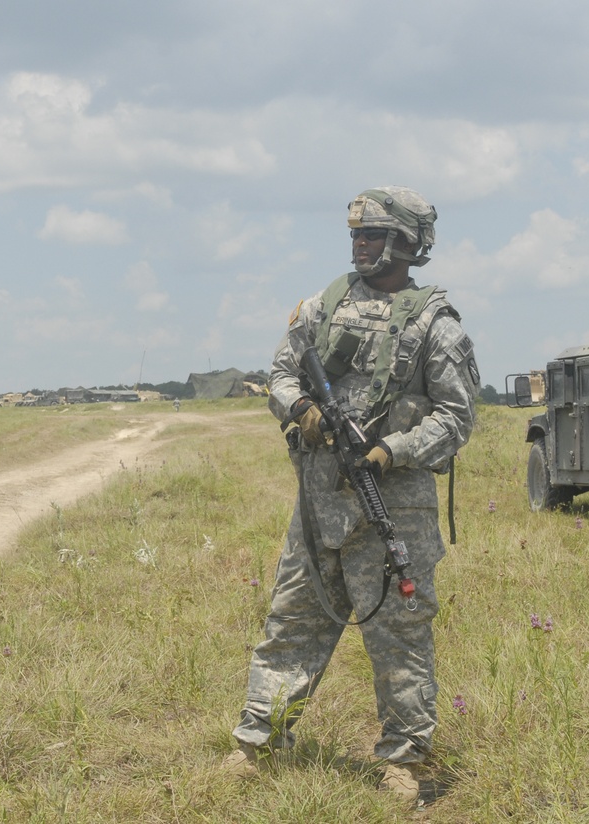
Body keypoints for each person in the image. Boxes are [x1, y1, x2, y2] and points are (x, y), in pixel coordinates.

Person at [223, 186, 479, 803]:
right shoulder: (323, 306)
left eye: (374, 236)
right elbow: (281, 373)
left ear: (405, 245)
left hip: (395, 510)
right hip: (318, 506)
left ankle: (406, 762)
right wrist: (304, 408)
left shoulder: (433, 323)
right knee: (291, 623)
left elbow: (457, 415)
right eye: (357, 236)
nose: (361, 245)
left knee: (400, 637)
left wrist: (393, 450)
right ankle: (258, 743)